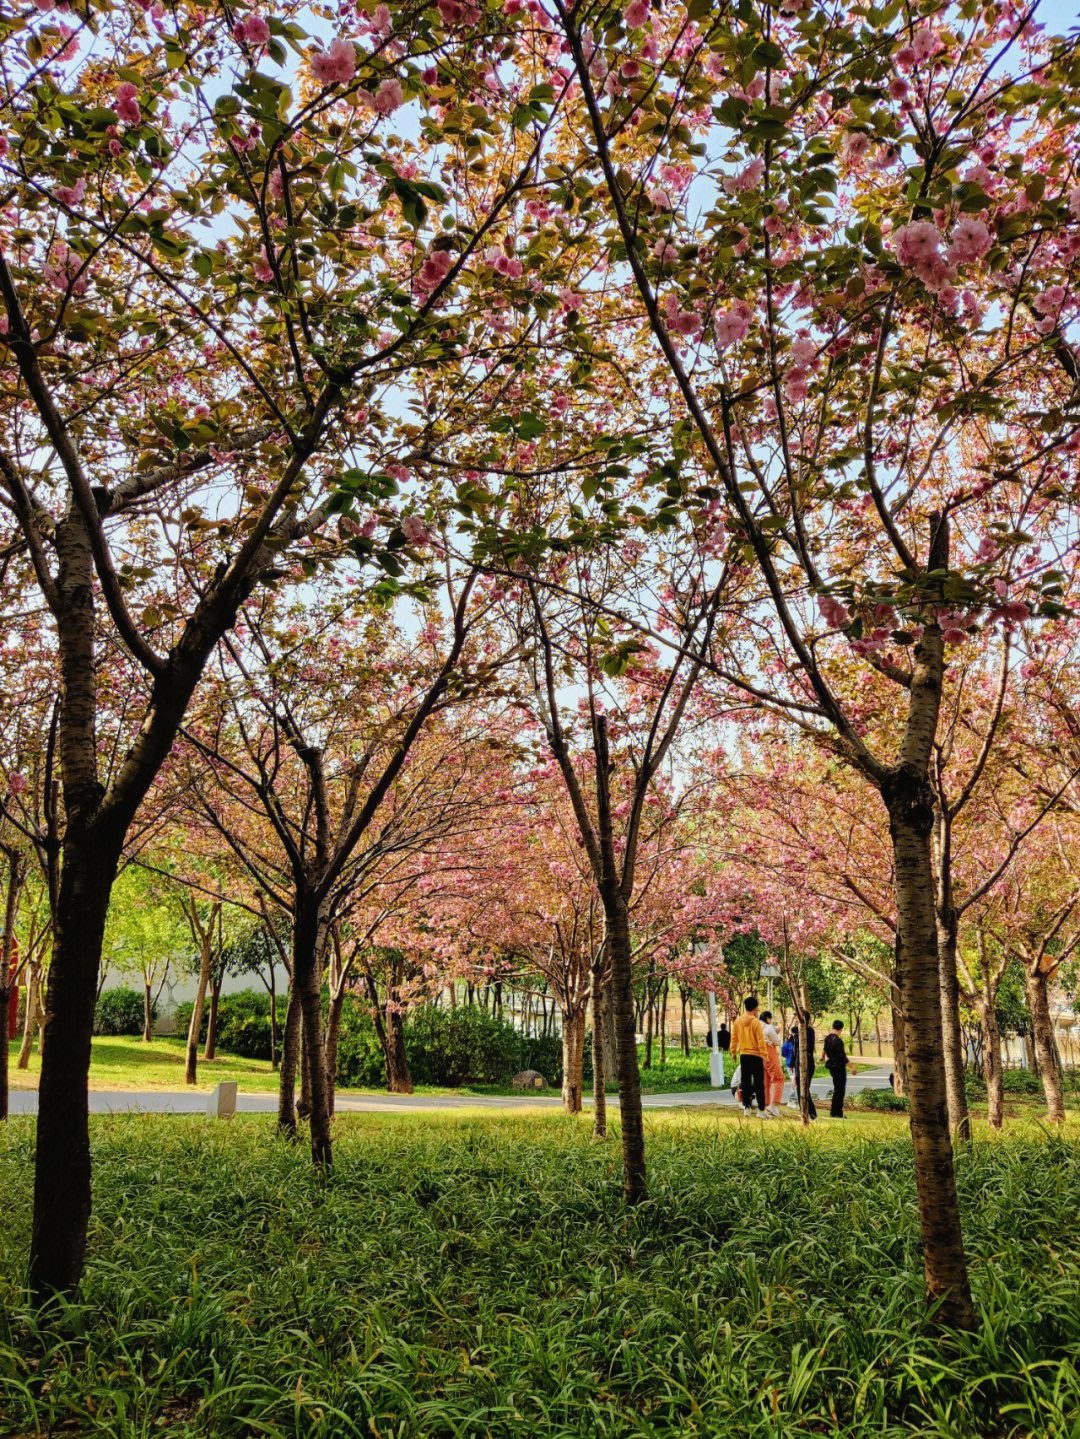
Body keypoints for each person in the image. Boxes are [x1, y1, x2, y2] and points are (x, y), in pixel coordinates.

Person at [730, 995, 769, 1116]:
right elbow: (760, 1041)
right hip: (756, 1056)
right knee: (759, 1083)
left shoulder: (738, 1021)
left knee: (745, 1082)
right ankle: (761, 1110)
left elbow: (734, 1038)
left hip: (744, 1055)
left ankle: (746, 1107)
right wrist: (765, 1056)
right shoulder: (756, 1022)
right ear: (756, 1009)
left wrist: (733, 1052)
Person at [822, 1019, 851, 1118]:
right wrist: (852, 1067)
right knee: (840, 1090)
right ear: (840, 1029)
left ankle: (833, 1112)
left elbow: (824, 1049)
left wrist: (822, 1057)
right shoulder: (838, 1041)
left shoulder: (828, 1038)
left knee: (836, 1089)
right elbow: (842, 1056)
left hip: (832, 1066)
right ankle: (838, 1112)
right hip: (839, 1066)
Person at [791, 1020, 817, 1120]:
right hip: (798, 1061)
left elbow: (808, 1047)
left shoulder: (808, 1031)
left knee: (804, 1088)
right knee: (800, 1088)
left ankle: (809, 1113)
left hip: (806, 1061)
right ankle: (806, 1112)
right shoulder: (797, 1031)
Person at [760, 1010, 784, 1116]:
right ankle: (774, 1105)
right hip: (769, 1052)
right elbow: (777, 1042)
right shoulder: (769, 1028)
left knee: (766, 1080)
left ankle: (765, 1105)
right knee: (779, 1078)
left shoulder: (756, 1026)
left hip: (759, 1054)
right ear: (768, 1018)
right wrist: (776, 1035)